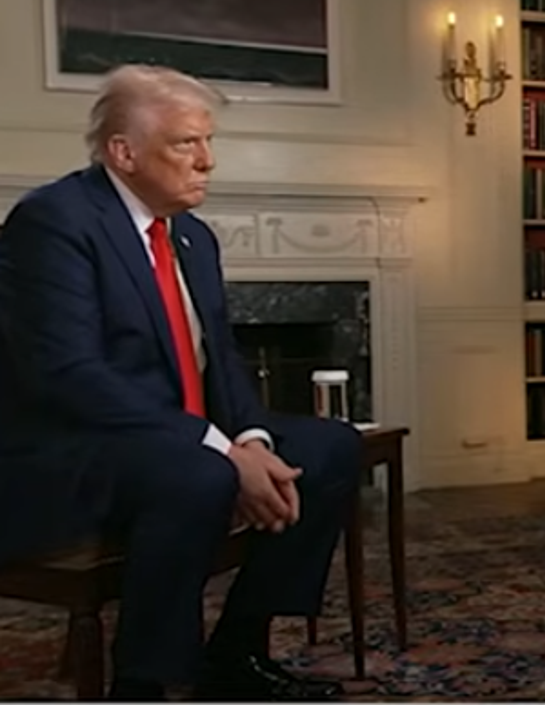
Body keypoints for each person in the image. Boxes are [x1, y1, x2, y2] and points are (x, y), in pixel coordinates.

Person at [0, 65, 363, 701]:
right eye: (186, 143)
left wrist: (250, 439)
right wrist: (219, 449)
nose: (207, 161)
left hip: (173, 435)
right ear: (124, 152)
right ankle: (145, 680)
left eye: (207, 141)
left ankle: (237, 651)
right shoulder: (54, 222)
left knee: (330, 446)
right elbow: (70, 375)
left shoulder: (192, 236)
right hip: (75, 449)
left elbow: (219, 357)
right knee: (201, 473)